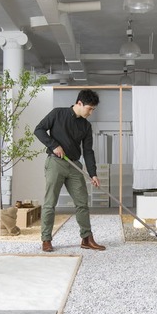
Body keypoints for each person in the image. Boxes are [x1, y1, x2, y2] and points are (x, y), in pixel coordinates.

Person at [34, 89, 106, 252]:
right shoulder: (57, 114)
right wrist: (54, 145)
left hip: (74, 166)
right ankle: (46, 239)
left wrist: (93, 173)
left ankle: (87, 239)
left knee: (82, 202)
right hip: (56, 163)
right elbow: (38, 130)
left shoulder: (86, 126)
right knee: (50, 203)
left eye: (93, 109)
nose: (91, 112)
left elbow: (88, 151)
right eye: (90, 108)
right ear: (79, 103)